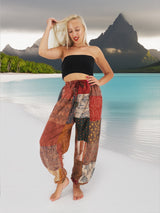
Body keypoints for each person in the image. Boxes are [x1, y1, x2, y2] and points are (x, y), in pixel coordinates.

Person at [38, 14, 114, 202]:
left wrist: (99, 82)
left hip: (90, 95)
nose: (74, 34)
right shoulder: (64, 50)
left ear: (84, 28)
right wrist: (48, 27)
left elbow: (109, 73)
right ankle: (61, 179)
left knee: (84, 141)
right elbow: (42, 52)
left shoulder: (94, 50)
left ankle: (76, 183)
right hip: (67, 94)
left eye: (77, 29)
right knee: (48, 141)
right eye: (70, 31)